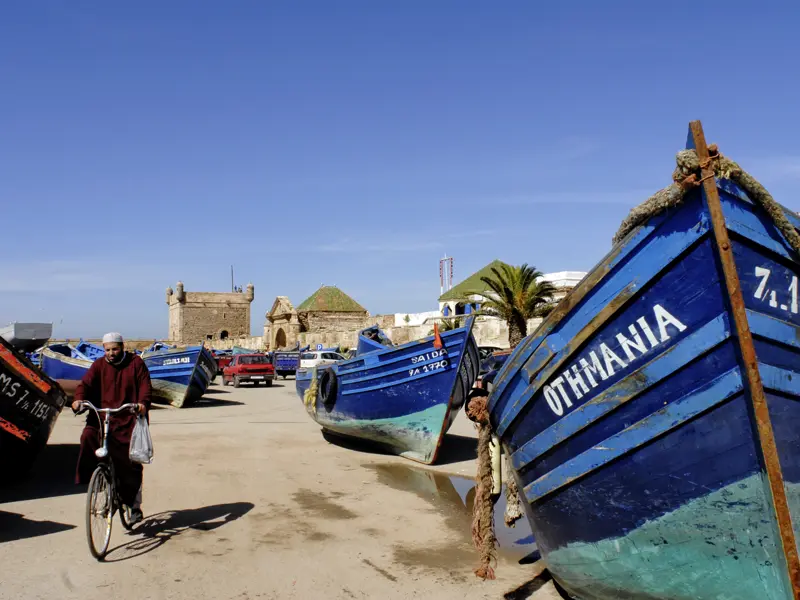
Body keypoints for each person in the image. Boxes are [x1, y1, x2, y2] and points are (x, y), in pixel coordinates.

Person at [72, 332, 152, 525]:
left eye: (115, 349)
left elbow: (145, 387)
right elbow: (85, 384)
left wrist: (142, 404)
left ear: (122, 347)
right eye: (107, 350)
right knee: (88, 436)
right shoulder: (98, 365)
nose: (111, 353)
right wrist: (78, 400)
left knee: (130, 463)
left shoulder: (136, 364)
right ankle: (96, 477)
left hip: (128, 418)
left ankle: (133, 505)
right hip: (102, 416)